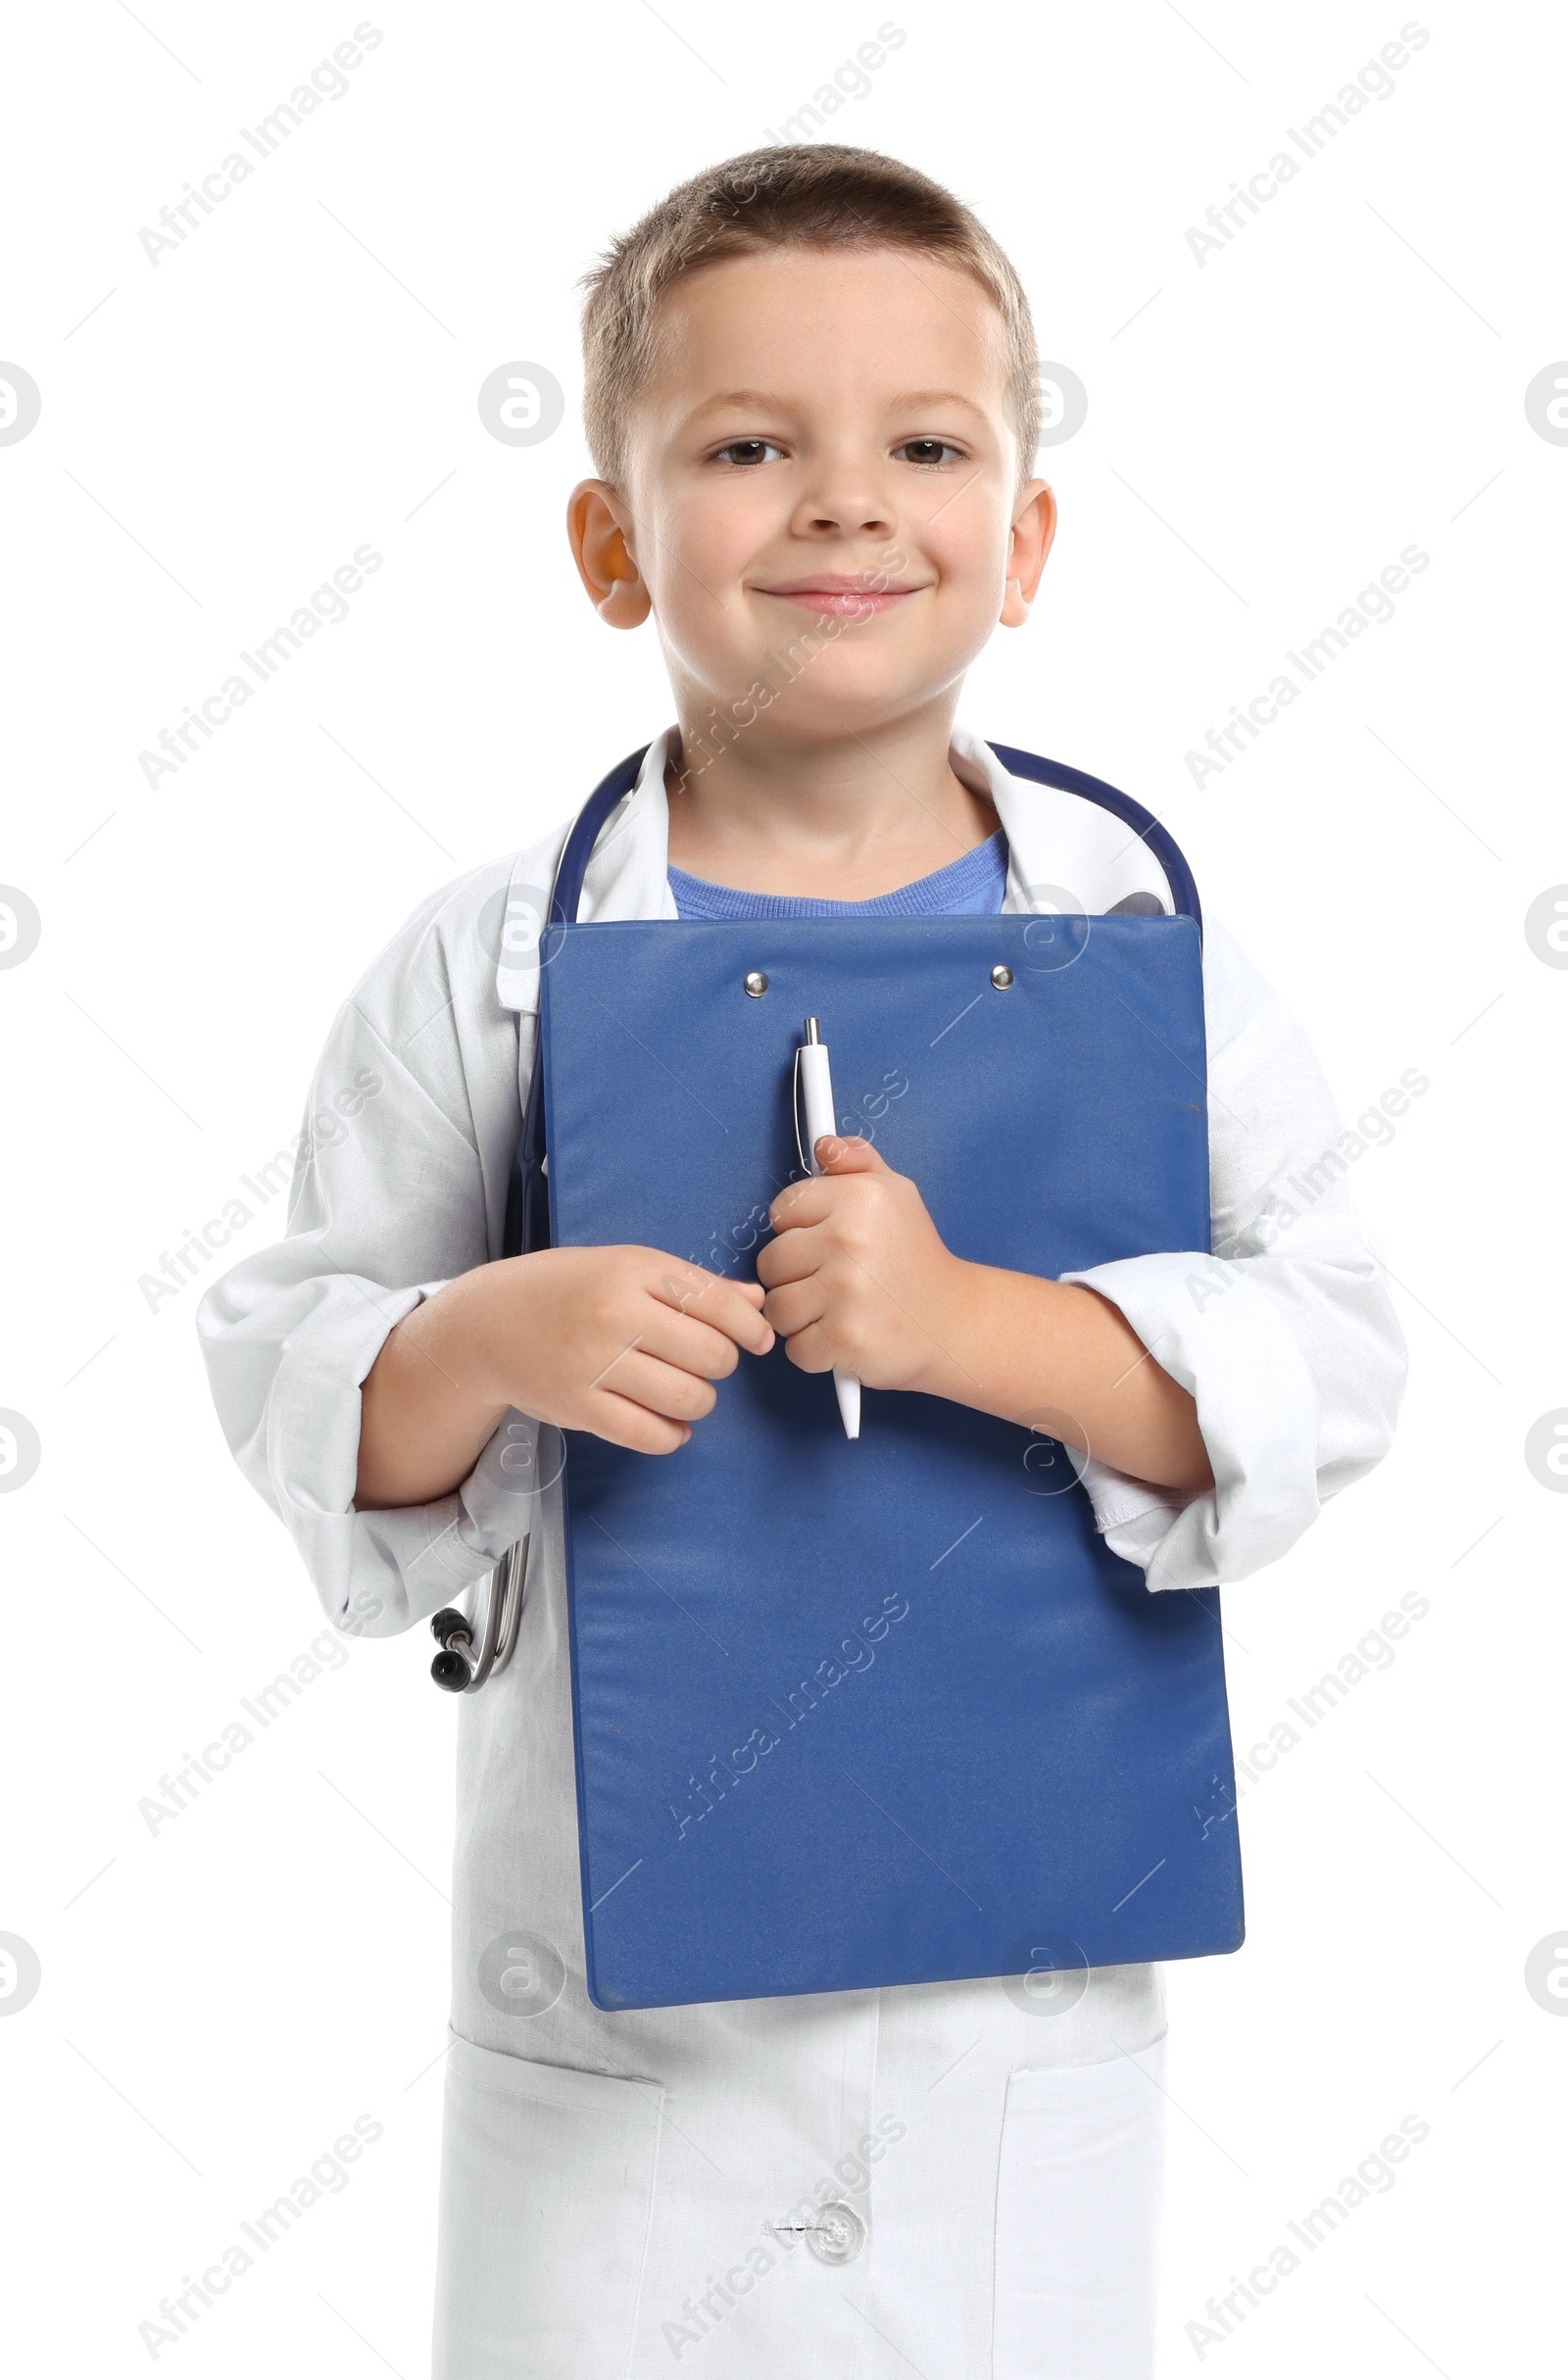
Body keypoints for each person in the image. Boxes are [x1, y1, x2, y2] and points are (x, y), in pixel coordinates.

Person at [196, 144, 1406, 2377]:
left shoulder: (1147, 951)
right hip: (621, 2046)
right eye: (748, 447)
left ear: (1021, 540)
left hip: (1014, 2008)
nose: (844, 503)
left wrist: (979, 1331)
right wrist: (485, 1334)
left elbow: (1328, 1359)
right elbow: (306, 1380)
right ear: (607, 538)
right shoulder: (491, 968)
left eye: (925, 448)